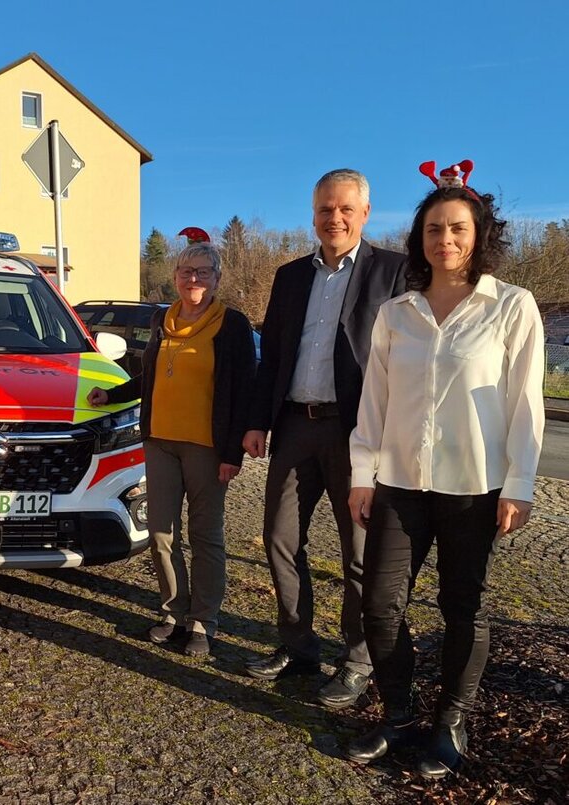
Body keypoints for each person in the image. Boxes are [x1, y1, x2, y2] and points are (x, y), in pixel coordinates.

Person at [344, 163, 545, 778]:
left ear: (479, 234)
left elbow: (525, 403)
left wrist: (519, 484)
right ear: (419, 237)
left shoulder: (511, 307)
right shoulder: (396, 313)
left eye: (457, 228)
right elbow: (374, 400)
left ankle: (450, 721)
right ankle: (398, 715)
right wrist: (361, 472)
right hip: (400, 483)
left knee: (464, 609)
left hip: (474, 487)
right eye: (434, 228)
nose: (445, 240)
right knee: (379, 606)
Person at [242, 169, 406, 708]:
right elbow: (273, 356)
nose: (333, 218)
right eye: (323, 210)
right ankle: (299, 646)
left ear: (364, 213)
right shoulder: (290, 276)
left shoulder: (395, 272)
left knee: (359, 552)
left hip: (356, 430)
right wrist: (257, 420)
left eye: (344, 210)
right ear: (313, 214)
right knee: (281, 539)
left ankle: (357, 659)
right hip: (293, 424)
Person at [88, 229, 256, 658]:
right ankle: (172, 612)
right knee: (161, 533)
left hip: (206, 446)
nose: (193, 279)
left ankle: (203, 621)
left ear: (217, 279)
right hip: (160, 441)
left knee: (205, 536)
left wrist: (231, 453)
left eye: (202, 272)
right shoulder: (161, 320)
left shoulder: (231, 325)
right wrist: (115, 395)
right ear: (176, 277)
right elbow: (153, 376)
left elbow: (243, 389)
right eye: (186, 272)